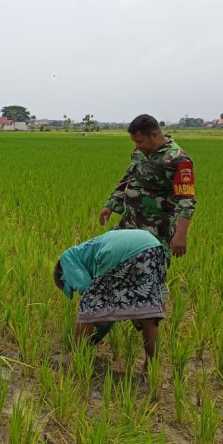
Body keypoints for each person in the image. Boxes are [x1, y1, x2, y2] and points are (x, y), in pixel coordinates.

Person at [54, 229, 167, 365]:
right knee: (148, 314)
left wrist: (90, 318)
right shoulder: (86, 251)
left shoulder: (67, 259)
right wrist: (95, 336)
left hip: (119, 251)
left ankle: (76, 358)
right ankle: (151, 366)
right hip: (153, 247)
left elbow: (85, 287)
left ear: (63, 276)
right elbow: (108, 311)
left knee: (88, 305)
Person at [99, 114, 196, 260]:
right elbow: (128, 178)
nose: (137, 146)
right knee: (113, 263)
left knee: (149, 272)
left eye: (140, 141)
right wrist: (110, 205)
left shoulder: (178, 159)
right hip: (129, 223)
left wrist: (180, 236)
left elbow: (186, 200)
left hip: (155, 230)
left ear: (154, 135)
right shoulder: (140, 153)